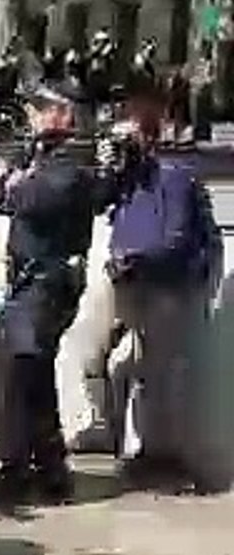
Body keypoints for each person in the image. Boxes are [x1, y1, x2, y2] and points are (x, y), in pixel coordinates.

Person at [0, 77, 101, 505]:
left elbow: (20, 199)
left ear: (65, 114)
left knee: (1, 376)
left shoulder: (74, 161)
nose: (32, 114)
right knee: (31, 376)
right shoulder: (47, 152)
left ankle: (18, 470)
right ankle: (49, 469)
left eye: (41, 107)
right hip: (32, 282)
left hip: (46, 284)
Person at [79, 85, 222, 488]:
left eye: (132, 129)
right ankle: (103, 427)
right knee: (92, 353)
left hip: (166, 283)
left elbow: (176, 238)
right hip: (126, 275)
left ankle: (163, 457)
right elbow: (95, 202)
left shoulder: (175, 174)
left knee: (156, 371)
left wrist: (134, 259)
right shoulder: (129, 172)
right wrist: (109, 170)